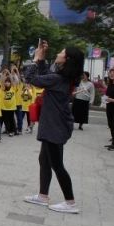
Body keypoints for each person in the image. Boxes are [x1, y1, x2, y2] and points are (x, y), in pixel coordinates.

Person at [23, 41, 84, 214]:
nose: (58, 53)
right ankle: (43, 196)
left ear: (67, 59)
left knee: (57, 165)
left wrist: (35, 59)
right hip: (54, 124)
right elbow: (45, 76)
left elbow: (31, 79)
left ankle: (70, 202)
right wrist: (42, 59)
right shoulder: (61, 78)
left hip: (55, 126)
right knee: (44, 160)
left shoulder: (58, 79)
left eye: (61, 52)